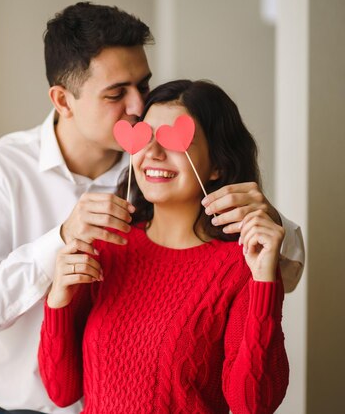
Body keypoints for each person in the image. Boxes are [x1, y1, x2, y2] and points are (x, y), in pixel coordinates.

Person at [0, 3, 303, 414]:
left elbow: (273, 272)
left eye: (143, 87)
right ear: (63, 100)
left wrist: (268, 227)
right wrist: (59, 243)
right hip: (17, 403)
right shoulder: (2, 169)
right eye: (116, 93)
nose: (136, 109)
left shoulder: (154, 167)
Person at [39, 79, 289, 414]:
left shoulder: (243, 266)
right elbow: (61, 391)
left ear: (218, 164)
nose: (154, 153)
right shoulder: (106, 244)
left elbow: (253, 405)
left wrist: (263, 282)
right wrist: (58, 299)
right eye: (145, 136)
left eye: (176, 140)